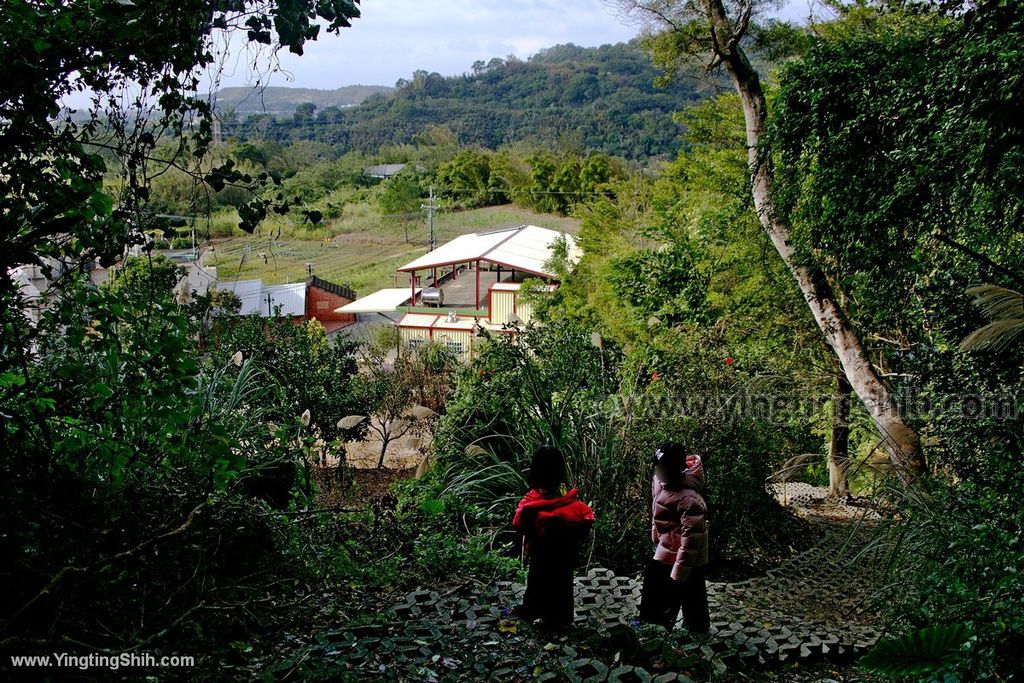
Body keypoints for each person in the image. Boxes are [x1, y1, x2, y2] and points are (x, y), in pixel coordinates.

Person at [511, 445, 595, 631]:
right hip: (565, 556)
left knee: (536, 580)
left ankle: (533, 611)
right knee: (562, 584)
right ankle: (560, 617)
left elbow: (518, 524)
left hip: (541, 553)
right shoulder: (571, 503)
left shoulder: (531, 502)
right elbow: (585, 522)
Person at [638, 442, 710, 633]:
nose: (658, 471)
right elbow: (658, 511)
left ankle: (696, 627)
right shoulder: (659, 482)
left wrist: (679, 571)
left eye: (663, 468)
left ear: (675, 470)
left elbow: (692, 539)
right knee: (653, 579)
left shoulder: (688, 498)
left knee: (690, 588)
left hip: (689, 554)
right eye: (657, 466)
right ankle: (649, 621)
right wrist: (656, 535)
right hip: (668, 545)